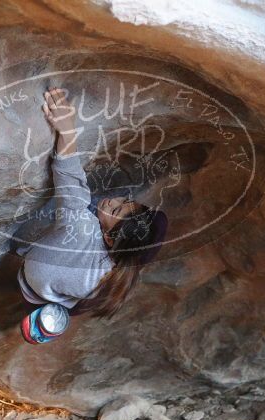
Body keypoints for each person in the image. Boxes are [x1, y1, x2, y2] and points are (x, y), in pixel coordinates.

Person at [14, 87, 169, 319]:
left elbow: (69, 175)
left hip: (33, 285)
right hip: (56, 294)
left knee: (87, 202)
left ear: (108, 237)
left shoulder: (80, 227)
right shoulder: (118, 270)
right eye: (125, 201)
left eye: (116, 208)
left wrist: (67, 130)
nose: (113, 199)